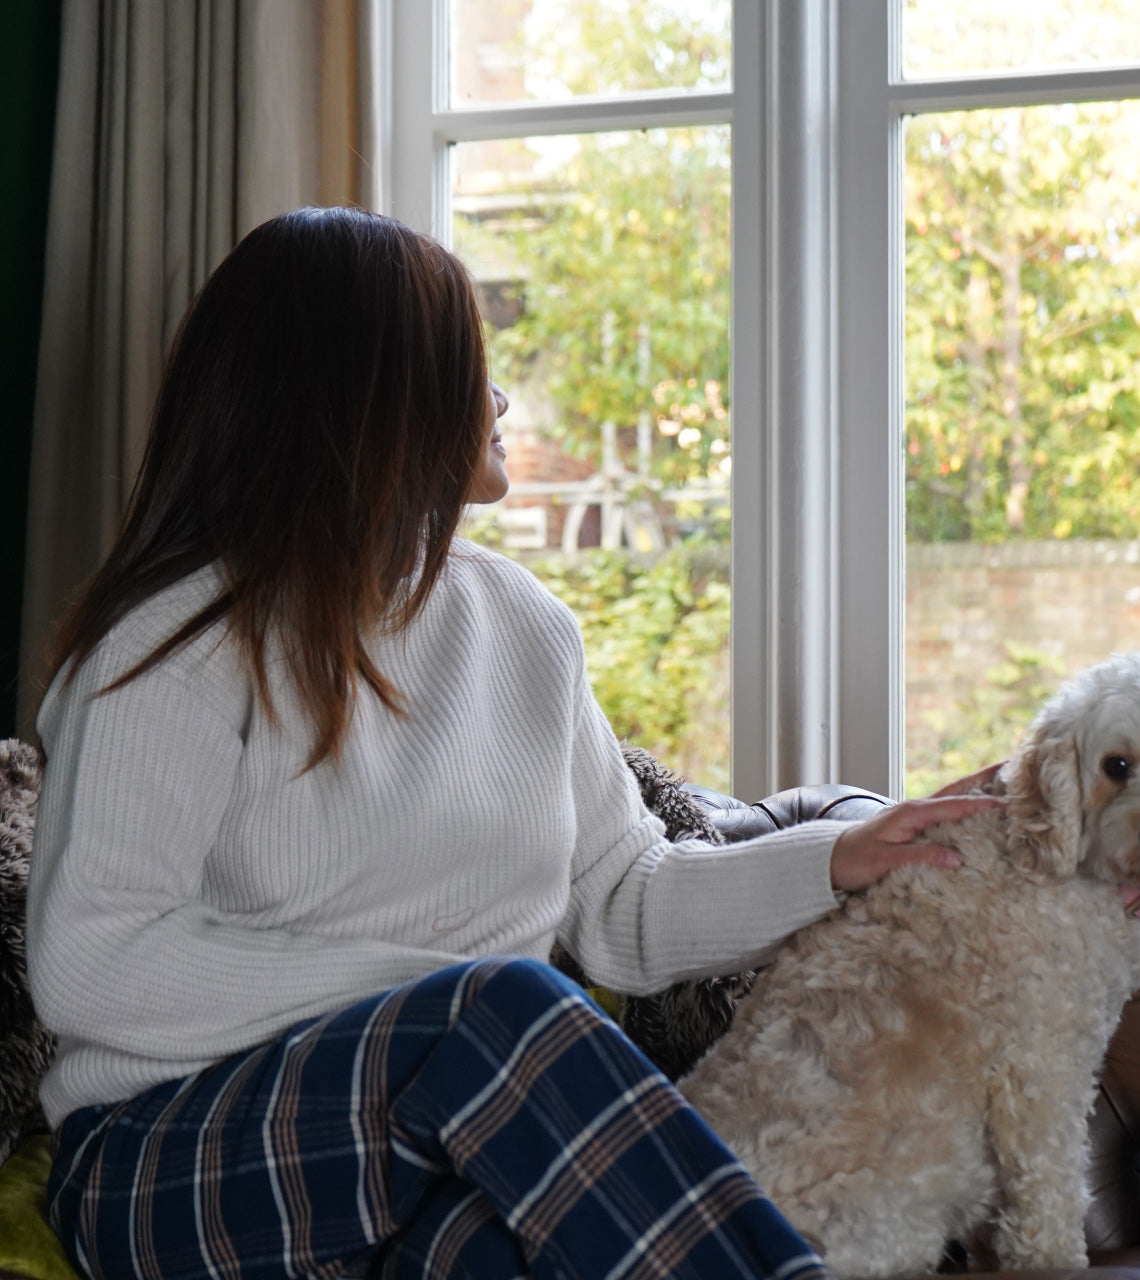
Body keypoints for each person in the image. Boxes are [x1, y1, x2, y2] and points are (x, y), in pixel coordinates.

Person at [26, 206, 1001, 1280]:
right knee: (501, 1010)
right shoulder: (174, 643)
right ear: (371, 401)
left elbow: (624, 904)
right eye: (469, 368)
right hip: (165, 1156)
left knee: (511, 1246)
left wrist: (838, 858)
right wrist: (448, 990)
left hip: (431, 1149)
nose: (498, 401)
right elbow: (92, 964)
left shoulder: (521, 622)